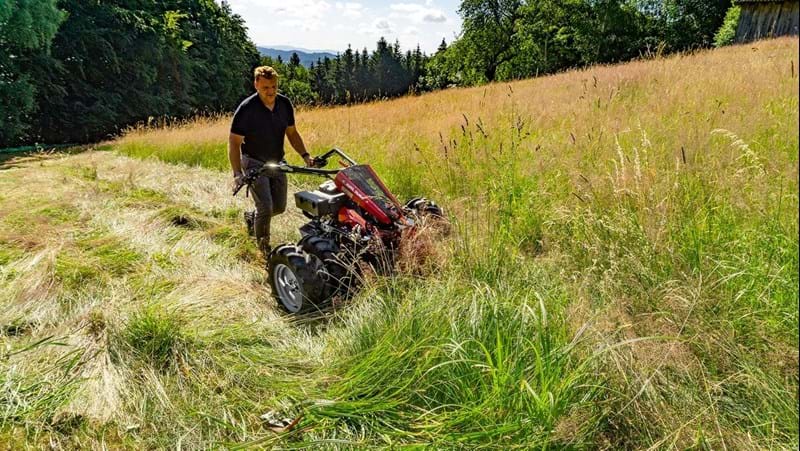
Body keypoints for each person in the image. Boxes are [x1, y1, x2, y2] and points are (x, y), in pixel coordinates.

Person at [229, 66, 313, 256]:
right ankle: (264, 251)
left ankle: (253, 218)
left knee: (279, 207)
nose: (271, 91)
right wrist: (237, 173)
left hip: (277, 161)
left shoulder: (284, 104)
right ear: (256, 85)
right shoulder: (247, 109)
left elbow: (292, 133)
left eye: (274, 86)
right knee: (266, 207)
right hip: (254, 162)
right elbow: (234, 143)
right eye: (266, 87)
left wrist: (305, 155)